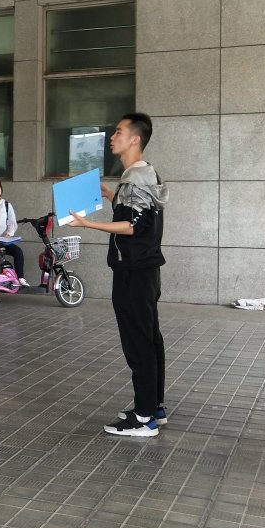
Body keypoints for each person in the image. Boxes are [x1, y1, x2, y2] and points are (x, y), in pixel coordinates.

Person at [69, 113, 168, 437]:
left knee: (139, 343)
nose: (112, 137)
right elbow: (137, 213)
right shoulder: (141, 174)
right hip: (144, 269)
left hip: (134, 272)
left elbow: (134, 225)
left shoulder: (136, 177)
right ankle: (153, 407)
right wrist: (110, 194)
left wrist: (87, 224)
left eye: (119, 132)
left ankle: (144, 419)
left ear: (135, 139)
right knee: (149, 339)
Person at [0, 177, 28, 305]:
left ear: (1, 190)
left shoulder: (7, 205)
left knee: (18, 252)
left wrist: (9, 234)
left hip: (4, 240)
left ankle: (20, 277)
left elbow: (12, 222)